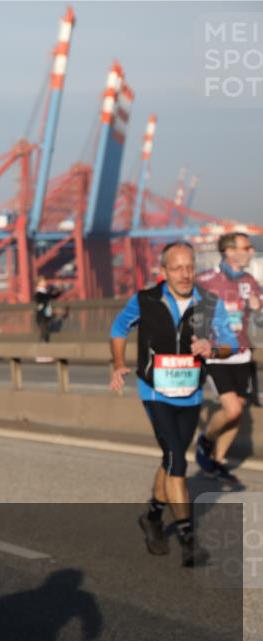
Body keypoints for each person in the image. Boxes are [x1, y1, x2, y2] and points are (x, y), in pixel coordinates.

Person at [110, 241, 236, 567]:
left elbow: (230, 344)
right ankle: (188, 540)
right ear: (163, 272)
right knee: (177, 462)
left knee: (170, 458)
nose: (184, 274)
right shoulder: (145, 300)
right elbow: (118, 327)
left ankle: (152, 516)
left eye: (190, 267)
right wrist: (118, 362)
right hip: (155, 392)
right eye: (177, 268)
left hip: (191, 394)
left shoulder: (209, 303)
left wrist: (213, 348)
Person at [194, 232, 262, 484]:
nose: (251, 251)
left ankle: (218, 461)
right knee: (232, 408)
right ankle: (206, 441)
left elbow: (260, 321)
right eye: (246, 247)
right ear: (229, 252)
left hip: (242, 352)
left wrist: (258, 310)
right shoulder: (206, 280)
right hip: (216, 352)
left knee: (238, 411)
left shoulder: (250, 282)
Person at [34, 277, 63, 343]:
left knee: (46, 331)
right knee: (44, 331)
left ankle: (44, 346)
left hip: (47, 314)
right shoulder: (39, 293)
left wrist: (59, 291)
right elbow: (43, 299)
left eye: (44, 281)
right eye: (43, 282)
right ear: (38, 284)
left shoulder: (45, 292)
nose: (45, 283)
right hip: (42, 315)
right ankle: (42, 346)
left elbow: (53, 296)